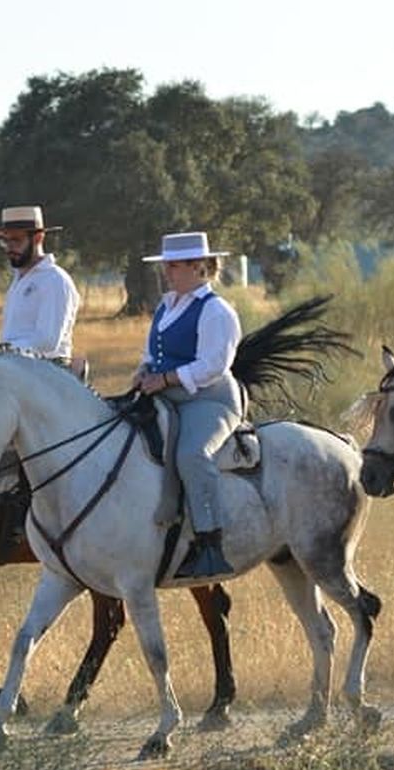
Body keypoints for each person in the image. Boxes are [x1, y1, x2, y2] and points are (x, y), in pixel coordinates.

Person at [131, 231, 245, 583]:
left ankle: (210, 544)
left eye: (175, 266)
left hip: (209, 398)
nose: (168, 272)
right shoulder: (167, 304)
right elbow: (155, 352)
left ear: (199, 267)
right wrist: (143, 370)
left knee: (193, 454)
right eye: (167, 265)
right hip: (165, 394)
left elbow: (214, 364)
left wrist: (166, 380)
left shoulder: (216, 311)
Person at [0, 205, 80, 370]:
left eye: (16, 240)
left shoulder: (54, 280)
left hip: (50, 374)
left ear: (38, 238)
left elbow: (47, 341)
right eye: (5, 241)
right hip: (19, 369)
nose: (9, 247)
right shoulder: (19, 280)